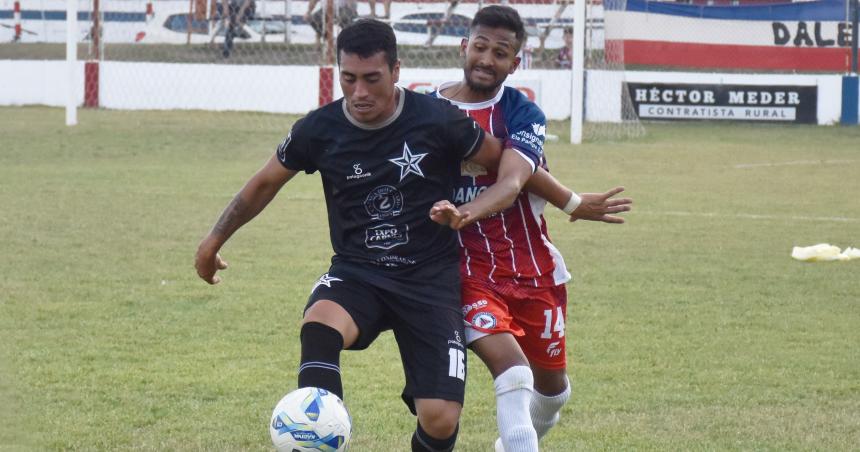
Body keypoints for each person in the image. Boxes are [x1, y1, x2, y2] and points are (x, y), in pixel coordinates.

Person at [195, 18, 541, 452]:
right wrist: (213, 241)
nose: (359, 93)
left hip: (429, 280)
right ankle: (317, 433)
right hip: (358, 273)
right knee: (319, 324)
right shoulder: (318, 130)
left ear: (396, 71)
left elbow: (506, 163)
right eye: (349, 79)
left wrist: (565, 198)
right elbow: (264, 182)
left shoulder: (437, 119)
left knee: (439, 419)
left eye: (372, 79)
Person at [430, 6, 632, 451]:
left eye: (500, 53)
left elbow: (512, 182)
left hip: (531, 266)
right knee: (514, 371)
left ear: (515, 62)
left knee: (554, 390)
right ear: (464, 47)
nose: (486, 59)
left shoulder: (522, 113)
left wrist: (466, 212)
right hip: (465, 268)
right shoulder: (429, 107)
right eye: (480, 47)